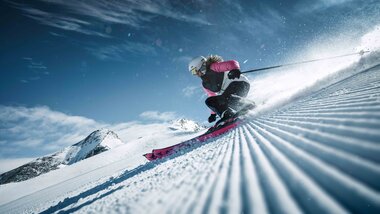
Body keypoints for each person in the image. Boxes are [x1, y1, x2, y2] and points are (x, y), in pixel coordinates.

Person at [188, 55, 251, 123]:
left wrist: (235, 69)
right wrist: (213, 114)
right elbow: (212, 96)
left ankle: (248, 105)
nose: (195, 74)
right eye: (193, 73)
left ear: (199, 66)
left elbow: (232, 63)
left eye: (194, 71)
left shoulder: (213, 67)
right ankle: (227, 114)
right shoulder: (205, 84)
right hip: (229, 94)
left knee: (227, 98)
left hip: (239, 83)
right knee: (209, 101)